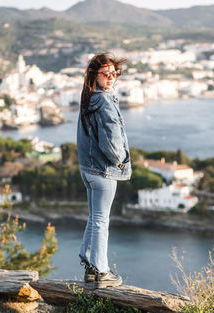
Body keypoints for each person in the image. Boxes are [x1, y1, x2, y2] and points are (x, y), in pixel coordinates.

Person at [77, 52, 132, 288]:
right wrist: (120, 161)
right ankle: (101, 271)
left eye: (114, 73)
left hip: (88, 169)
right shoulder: (105, 101)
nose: (111, 77)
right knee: (101, 220)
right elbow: (111, 142)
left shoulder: (89, 98)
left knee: (94, 218)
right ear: (94, 75)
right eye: (105, 73)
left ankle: (90, 266)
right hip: (103, 171)